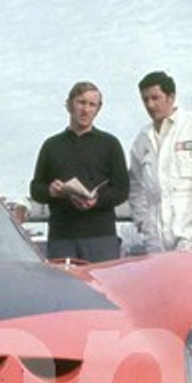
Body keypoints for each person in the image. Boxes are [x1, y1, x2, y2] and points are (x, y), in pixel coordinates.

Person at [29, 81, 130, 263]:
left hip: (101, 237)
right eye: (81, 102)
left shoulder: (110, 144)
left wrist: (97, 200)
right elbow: (35, 188)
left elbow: (122, 190)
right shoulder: (51, 146)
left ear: (98, 109)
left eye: (92, 105)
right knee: (63, 291)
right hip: (62, 237)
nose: (86, 110)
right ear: (69, 105)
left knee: (102, 290)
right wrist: (50, 191)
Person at [127, 70, 192, 253]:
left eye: (156, 98)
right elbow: (135, 185)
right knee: (158, 281)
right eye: (145, 99)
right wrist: (142, 221)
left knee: (191, 281)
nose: (150, 105)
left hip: (191, 230)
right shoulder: (142, 139)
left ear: (171, 97)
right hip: (155, 235)